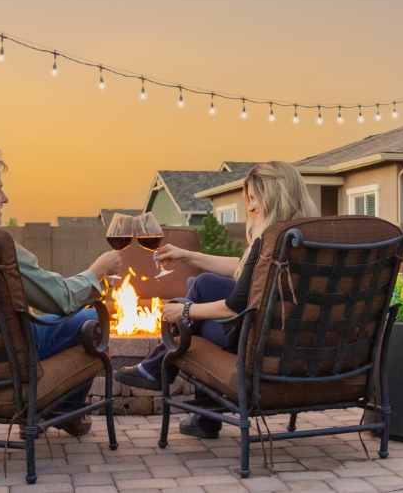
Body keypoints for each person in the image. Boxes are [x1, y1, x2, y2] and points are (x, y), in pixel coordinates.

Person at [110, 161, 319, 439]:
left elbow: (235, 306)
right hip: (295, 339)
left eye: (254, 199)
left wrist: (185, 312)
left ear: (274, 196)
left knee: (192, 329)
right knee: (203, 283)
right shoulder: (306, 239)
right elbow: (245, 271)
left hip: (258, 341)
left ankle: (166, 378)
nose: (251, 207)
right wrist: (188, 256)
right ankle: (191, 407)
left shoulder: (270, 241)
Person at [0, 143, 124, 437]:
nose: (5, 198)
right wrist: (99, 271)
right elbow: (60, 299)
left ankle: (58, 410)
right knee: (90, 323)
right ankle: (58, 409)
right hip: (2, 359)